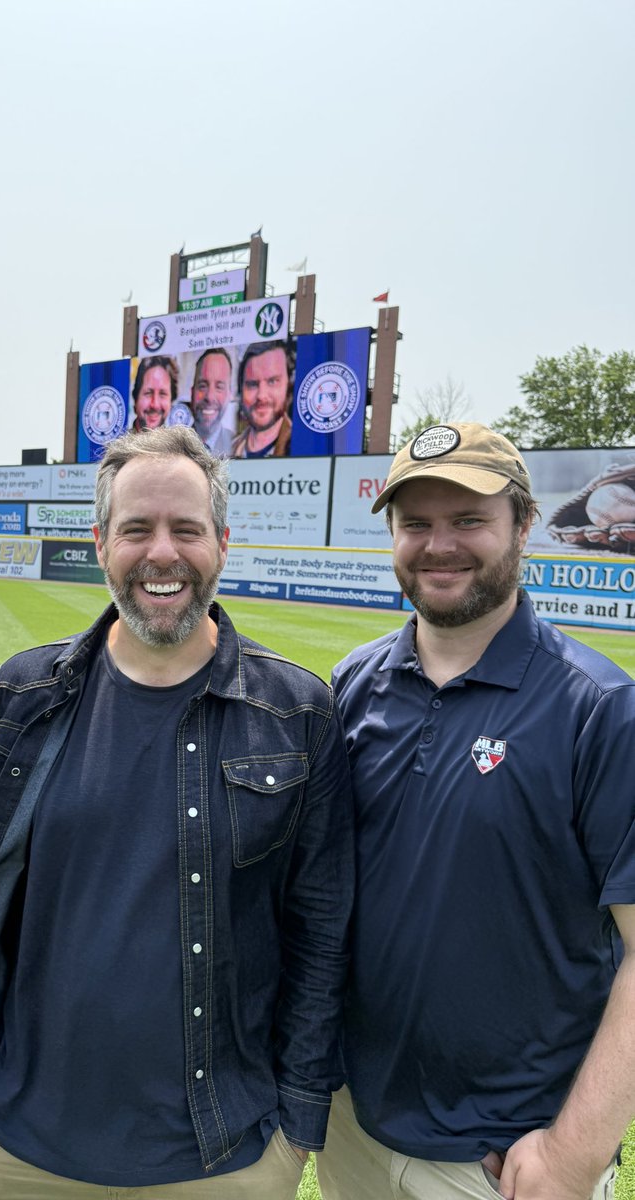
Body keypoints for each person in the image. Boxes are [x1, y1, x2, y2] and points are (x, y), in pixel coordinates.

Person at [0, 426, 353, 1199]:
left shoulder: (296, 713)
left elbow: (319, 932)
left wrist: (295, 1130)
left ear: (221, 540)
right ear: (100, 541)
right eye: (136, 529)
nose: (162, 553)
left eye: (186, 529)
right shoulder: (21, 697)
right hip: (14, 1144)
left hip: (223, 1157)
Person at [315, 423, 635, 1200]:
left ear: (524, 525)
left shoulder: (598, 708)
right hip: (353, 1125)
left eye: (468, 521)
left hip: (504, 1156)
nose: (439, 545)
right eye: (416, 523)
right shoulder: (351, 685)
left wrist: (572, 1154)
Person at [231, 341, 293, 458]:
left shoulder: (300, 445)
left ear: (289, 385)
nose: (261, 395)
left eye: (272, 381)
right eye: (252, 384)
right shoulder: (228, 449)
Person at [191, 347, 234, 455]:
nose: (209, 397)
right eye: (202, 386)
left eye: (219, 387)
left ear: (230, 394)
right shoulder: (172, 446)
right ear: (192, 392)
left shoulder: (237, 445)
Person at [131, 354, 177, 431]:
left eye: (162, 394)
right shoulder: (118, 441)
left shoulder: (178, 442)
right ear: (136, 399)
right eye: (148, 393)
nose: (155, 405)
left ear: (171, 402)